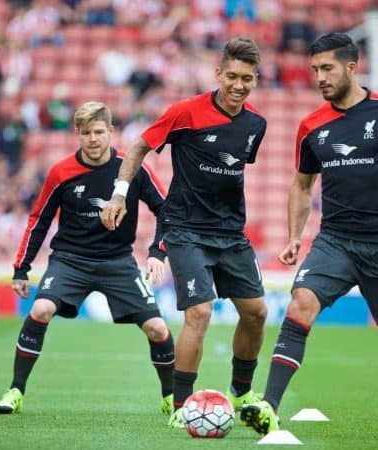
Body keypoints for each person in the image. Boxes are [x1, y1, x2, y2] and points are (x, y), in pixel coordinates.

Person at [240, 32, 378, 441]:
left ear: (352, 67)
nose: (319, 77)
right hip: (335, 242)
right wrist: (294, 236)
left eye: (327, 68)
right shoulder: (311, 126)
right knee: (300, 304)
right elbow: (302, 186)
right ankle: (268, 406)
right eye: (315, 69)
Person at [101, 37, 268, 428]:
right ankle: (181, 407)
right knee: (200, 312)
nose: (239, 85)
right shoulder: (186, 112)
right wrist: (120, 194)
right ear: (218, 74)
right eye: (232, 76)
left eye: (247, 78)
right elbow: (139, 148)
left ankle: (242, 391)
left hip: (230, 233)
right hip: (186, 229)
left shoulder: (255, 125)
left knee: (257, 313)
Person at [0, 101, 175, 416]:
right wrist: (21, 269)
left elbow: (167, 211)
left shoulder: (132, 168)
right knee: (40, 308)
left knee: (159, 329)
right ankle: (15, 391)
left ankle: (172, 399)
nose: (93, 139)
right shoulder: (61, 172)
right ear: (77, 134)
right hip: (70, 260)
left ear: (110, 132)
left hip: (118, 262)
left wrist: (157, 252)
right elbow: (38, 220)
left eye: (99, 132)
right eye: (87, 133)